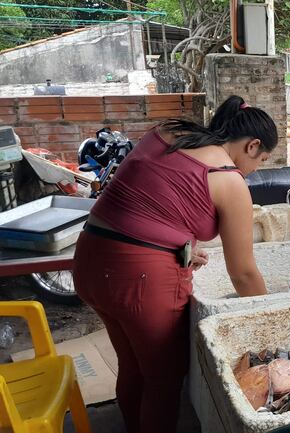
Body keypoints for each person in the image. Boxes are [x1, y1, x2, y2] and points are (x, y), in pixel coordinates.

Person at [72, 95, 278, 433]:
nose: (256, 169)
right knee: (163, 379)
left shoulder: (169, 132)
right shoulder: (228, 178)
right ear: (253, 145)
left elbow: (150, 198)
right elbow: (242, 272)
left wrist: (176, 244)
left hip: (90, 259)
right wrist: (268, 318)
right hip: (139, 278)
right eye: (263, 160)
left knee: (133, 365)